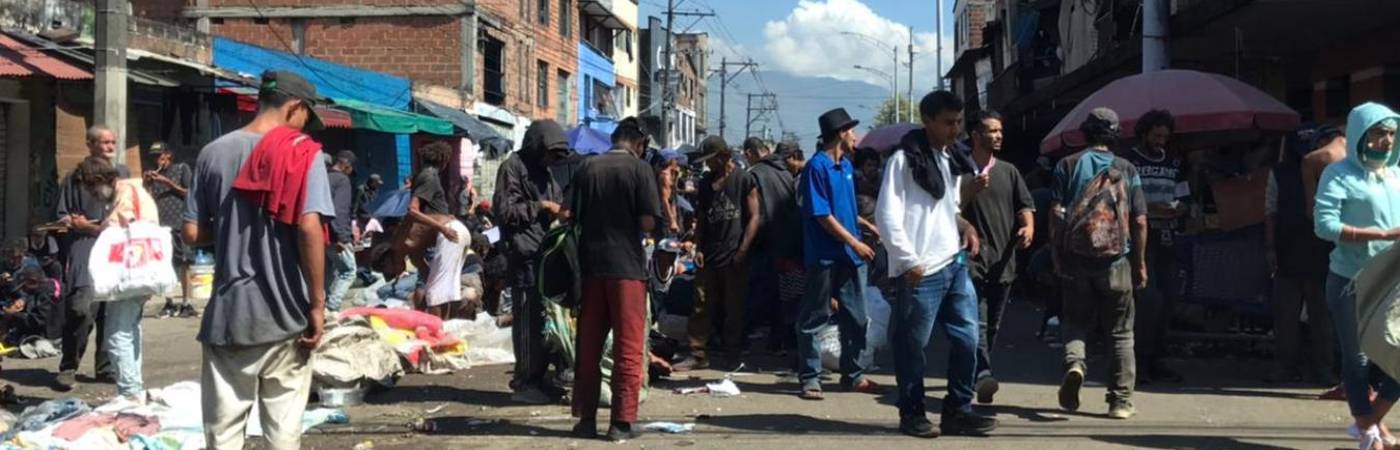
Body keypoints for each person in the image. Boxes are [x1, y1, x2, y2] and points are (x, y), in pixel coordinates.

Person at [183, 70, 333, 450]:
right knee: (283, 433)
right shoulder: (303, 152)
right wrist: (318, 304)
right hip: (288, 314)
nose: (304, 126)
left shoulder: (212, 152)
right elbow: (309, 228)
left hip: (229, 316)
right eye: (306, 116)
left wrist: (231, 227)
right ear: (295, 107)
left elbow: (191, 233)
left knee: (223, 433)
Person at [876, 92, 996, 438]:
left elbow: (950, 210)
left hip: (953, 265)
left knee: (968, 339)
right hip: (920, 271)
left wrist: (966, 226)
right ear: (927, 120)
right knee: (912, 347)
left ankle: (958, 409)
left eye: (958, 122)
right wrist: (908, 260)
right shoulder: (903, 160)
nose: (954, 129)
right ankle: (912, 413)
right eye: (947, 122)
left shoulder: (951, 159)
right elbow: (887, 216)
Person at [1050, 107, 1148, 420]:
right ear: (1115, 135)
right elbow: (1140, 220)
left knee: (1076, 322)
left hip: (1076, 259)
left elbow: (1056, 214)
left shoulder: (1067, 164)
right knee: (1121, 333)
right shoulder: (1127, 169)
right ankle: (1120, 401)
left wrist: (1057, 253)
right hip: (1116, 261)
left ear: (1085, 132)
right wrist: (1139, 263)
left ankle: (1075, 363)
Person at [569, 117, 662, 442]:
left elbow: (569, 214)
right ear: (639, 142)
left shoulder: (586, 167)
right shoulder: (640, 169)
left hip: (590, 268)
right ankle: (621, 423)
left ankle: (585, 420)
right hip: (627, 269)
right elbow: (648, 222)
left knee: (588, 347)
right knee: (628, 348)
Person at [1313, 103, 1400, 450]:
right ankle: (1368, 431)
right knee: (1359, 359)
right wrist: (1381, 235)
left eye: (1391, 133)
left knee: (1395, 355)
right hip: (1351, 281)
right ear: (1359, 134)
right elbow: (1324, 226)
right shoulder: (1338, 174)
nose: (1386, 140)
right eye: (1378, 132)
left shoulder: (1396, 175)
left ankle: (1371, 421)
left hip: (1393, 282)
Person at [795, 108, 881, 401]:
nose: (855, 136)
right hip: (824, 256)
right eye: (852, 131)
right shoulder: (816, 167)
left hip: (850, 256)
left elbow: (844, 209)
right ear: (841, 133)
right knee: (814, 318)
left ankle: (853, 374)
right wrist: (854, 242)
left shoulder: (845, 166)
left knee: (857, 318)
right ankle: (810, 377)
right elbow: (822, 215)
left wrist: (866, 225)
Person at [492, 120, 570, 404]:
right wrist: (542, 206)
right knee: (527, 322)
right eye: (548, 154)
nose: (551, 160)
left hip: (544, 256)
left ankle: (540, 377)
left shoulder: (544, 174)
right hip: (524, 256)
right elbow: (505, 212)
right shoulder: (512, 168)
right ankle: (525, 382)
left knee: (543, 322)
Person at [962, 110, 1035, 404]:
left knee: (992, 324)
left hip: (1004, 260)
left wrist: (1028, 227)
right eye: (992, 131)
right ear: (975, 135)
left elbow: (1024, 205)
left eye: (1000, 131)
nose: (998, 136)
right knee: (976, 321)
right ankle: (983, 373)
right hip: (970, 259)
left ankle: (977, 371)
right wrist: (970, 191)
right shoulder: (959, 170)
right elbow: (946, 209)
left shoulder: (1008, 171)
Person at [53, 125, 124, 391]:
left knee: (110, 308)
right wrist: (72, 222)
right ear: (90, 144)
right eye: (105, 142)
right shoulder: (75, 177)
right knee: (81, 308)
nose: (110, 147)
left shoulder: (122, 175)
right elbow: (62, 214)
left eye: (112, 142)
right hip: (84, 247)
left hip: (114, 247)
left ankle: (105, 367)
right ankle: (69, 366)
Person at [1266, 126, 1337, 385]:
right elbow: (1270, 212)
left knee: (1322, 316)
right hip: (1288, 251)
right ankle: (1286, 367)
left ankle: (1323, 369)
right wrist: (1270, 248)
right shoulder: (1279, 173)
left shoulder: (1334, 171)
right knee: (1286, 316)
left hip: (1323, 253)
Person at [1121, 109, 1187, 384]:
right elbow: (1123, 202)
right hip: (1139, 239)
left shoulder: (1174, 162)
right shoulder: (1130, 162)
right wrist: (1151, 208)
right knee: (1147, 300)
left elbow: (1184, 196)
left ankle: (1159, 358)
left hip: (1168, 238)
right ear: (1144, 134)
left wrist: (1179, 208)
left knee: (1169, 299)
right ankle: (1140, 361)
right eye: (1156, 135)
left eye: (1164, 137)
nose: (1161, 141)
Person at [674, 136, 750, 371]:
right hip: (709, 253)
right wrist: (698, 247)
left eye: (711, 160)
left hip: (734, 253)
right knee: (701, 304)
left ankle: (732, 354)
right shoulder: (706, 182)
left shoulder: (743, 179)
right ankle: (697, 353)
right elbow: (702, 216)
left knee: (733, 308)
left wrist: (743, 250)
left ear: (724, 157)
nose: (708, 165)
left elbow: (756, 216)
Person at [740, 137, 799, 353]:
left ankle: (745, 337)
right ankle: (779, 340)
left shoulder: (753, 174)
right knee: (782, 294)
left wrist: (744, 245)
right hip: (789, 242)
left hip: (766, 242)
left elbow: (754, 214)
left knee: (759, 292)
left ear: (749, 153)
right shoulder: (785, 173)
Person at [412, 143, 470, 319]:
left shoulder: (428, 176)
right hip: (444, 232)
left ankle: (436, 328)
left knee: (437, 290)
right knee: (439, 290)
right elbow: (413, 210)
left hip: (445, 233)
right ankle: (437, 328)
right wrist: (442, 227)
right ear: (444, 161)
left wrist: (442, 226)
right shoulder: (430, 177)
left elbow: (415, 210)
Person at [145, 142, 197, 319]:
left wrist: (168, 183)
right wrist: (148, 184)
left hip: (179, 222)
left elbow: (190, 193)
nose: (157, 160)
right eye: (154, 157)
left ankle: (186, 302)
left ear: (168, 155)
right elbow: (149, 199)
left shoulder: (181, 169)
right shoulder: (154, 175)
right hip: (161, 225)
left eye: (159, 156)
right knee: (165, 263)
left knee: (184, 262)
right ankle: (169, 302)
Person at [326, 151, 359, 313]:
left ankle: (323, 305)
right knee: (348, 272)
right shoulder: (342, 180)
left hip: (320, 233)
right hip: (335, 235)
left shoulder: (324, 177)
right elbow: (340, 210)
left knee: (329, 272)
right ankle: (332, 306)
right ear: (347, 165)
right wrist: (341, 237)